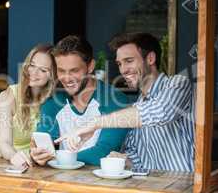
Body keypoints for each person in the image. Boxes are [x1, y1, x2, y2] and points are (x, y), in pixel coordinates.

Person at [56, 32, 195, 172]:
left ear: (150, 58)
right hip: (155, 186)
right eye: (119, 64)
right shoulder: (137, 105)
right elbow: (139, 158)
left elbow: (161, 112)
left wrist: (94, 124)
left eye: (129, 61)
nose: (123, 70)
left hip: (185, 185)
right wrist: (124, 160)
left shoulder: (178, 84)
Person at [30, 35, 130, 166]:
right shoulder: (53, 102)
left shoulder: (115, 100)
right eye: (61, 71)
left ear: (90, 66)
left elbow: (104, 152)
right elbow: (43, 142)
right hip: (59, 181)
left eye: (74, 70)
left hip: (103, 182)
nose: (67, 78)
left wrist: (59, 158)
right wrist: (36, 154)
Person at [0, 44, 57, 170]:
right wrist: (14, 156)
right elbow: (4, 144)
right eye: (32, 65)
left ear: (52, 76)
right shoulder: (7, 97)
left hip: (40, 167)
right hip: (9, 165)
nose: (34, 73)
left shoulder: (54, 101)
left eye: (43, 70)